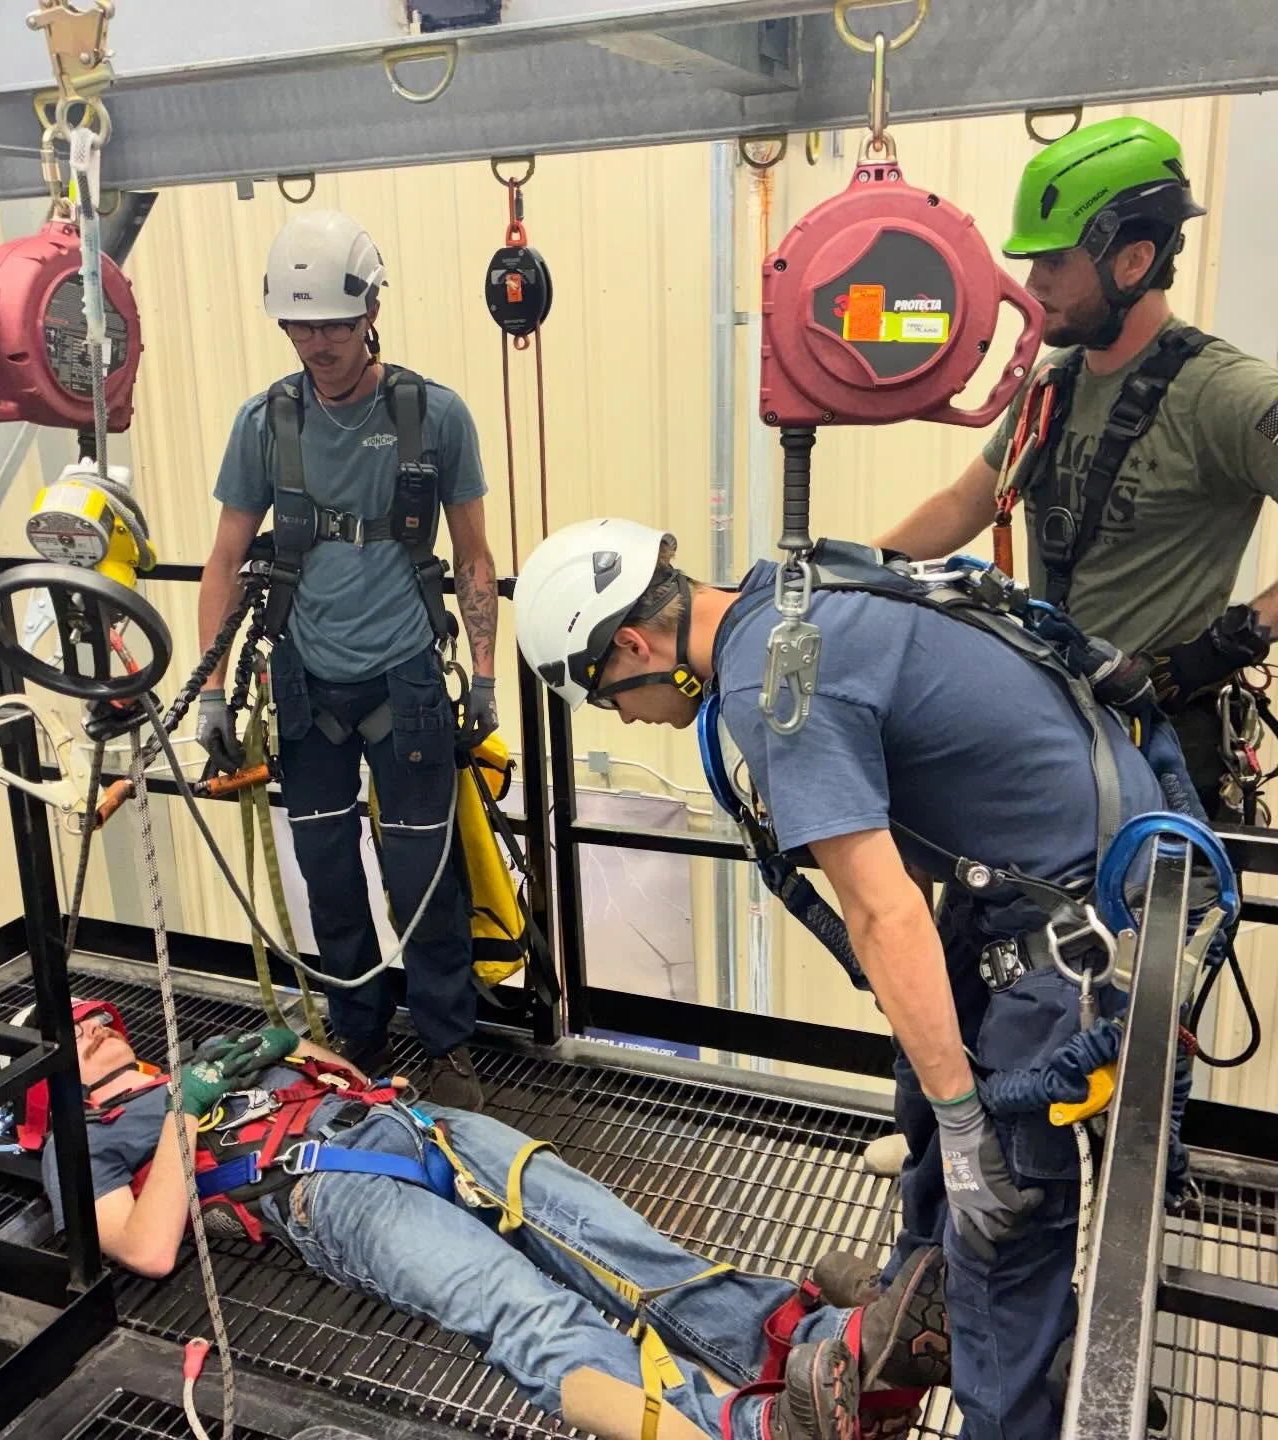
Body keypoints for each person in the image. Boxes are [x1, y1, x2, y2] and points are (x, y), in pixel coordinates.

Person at [511, 516, 1213, 1440]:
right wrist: (944, 1102)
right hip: (1058, 862)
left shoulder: (774, 686)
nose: (624, 717)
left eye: (610, 697)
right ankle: (919, 1296)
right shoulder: (795, 593)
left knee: (1000, 1216)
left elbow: (885, 913)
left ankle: (1000, 1382)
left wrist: (971, 1133)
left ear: (637, 646)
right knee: (926, 1083)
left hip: (1077, 931)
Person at [39, 1000, 952, 1440]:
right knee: (524, 1310)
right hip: (328, 1188)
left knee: (619, 1245)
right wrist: (183, 1116)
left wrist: (285, 1049)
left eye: (91, 1017)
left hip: (417, 1126)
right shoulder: (86, 1143)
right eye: (67, 1030)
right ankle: (735, 1431)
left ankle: (825, 1347)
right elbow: (147, 1246)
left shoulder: (194, 1061)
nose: (89, 1027)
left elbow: (339, 1076)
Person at [875, 115, 1278, 820]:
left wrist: (1236, 637)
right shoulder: (1052, 386)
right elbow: (966, 502)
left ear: (1132, 260)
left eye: (1054, 262)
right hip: (1053, 742)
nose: (1032, 285)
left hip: (1160, 760)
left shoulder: (1224, 394)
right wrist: (848, 571)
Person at [195, 210, 501, 1109]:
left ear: (370, 311)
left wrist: (483, 677)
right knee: (326, 868)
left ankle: (448, 1044)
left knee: (423, 876)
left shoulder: (433, 416)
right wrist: (213, 693)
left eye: (331, 321)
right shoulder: (265, 425)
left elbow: (474, 555)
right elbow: (223, 558)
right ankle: (357, 1034)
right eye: (299, 324)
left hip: (404, 676)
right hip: (302, 678)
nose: (316, 342)